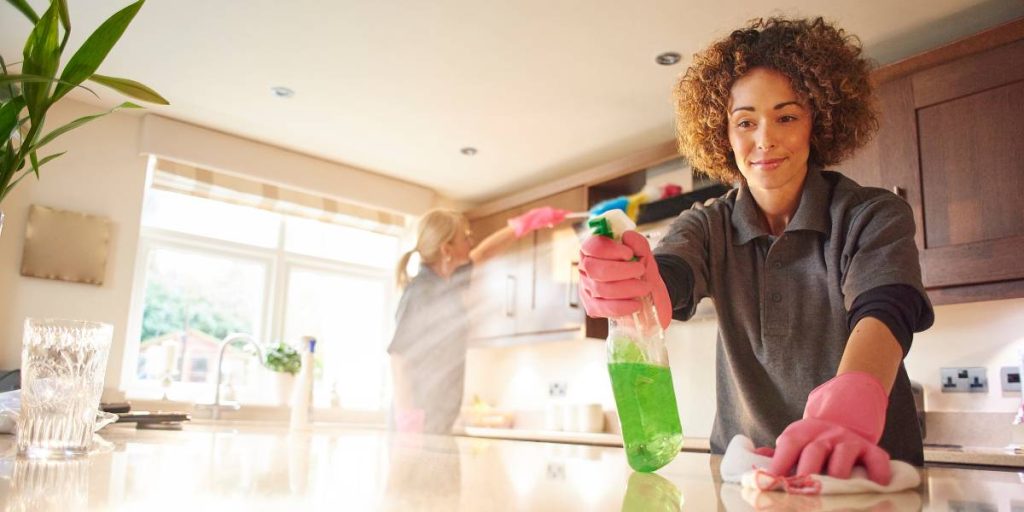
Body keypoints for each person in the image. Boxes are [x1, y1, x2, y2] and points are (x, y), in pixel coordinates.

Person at [578, 17, 934, 485]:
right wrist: (633, 285)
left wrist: (853, 398)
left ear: (818, 123)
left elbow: (886, 309)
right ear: (723, 134)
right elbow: (669, 278)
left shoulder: (871, 213)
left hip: (864, 470)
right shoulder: (707, 225)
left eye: (786, 117)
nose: (764, 139)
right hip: (748, 473)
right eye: (745, 121)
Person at [388, 206, 568, 434]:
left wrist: (523, 225)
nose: (470, 242)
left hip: (438, 420)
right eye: (465, 237)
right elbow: (399, 358)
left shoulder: (448, 283)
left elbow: (483, 253)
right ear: (447, 249)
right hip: (417, 423)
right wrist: (408, 422)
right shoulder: (421, 293)